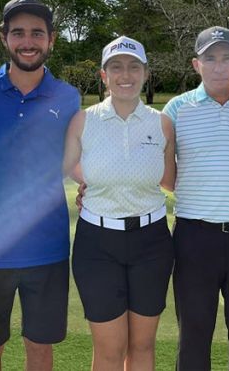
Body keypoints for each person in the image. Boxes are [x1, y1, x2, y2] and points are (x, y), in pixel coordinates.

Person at [0, 0, 81, 370]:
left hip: (47, 248)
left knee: (40, 350)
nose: (27, 41)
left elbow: (78, 159)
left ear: (52, 39)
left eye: (37, 33)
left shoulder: (68, 96)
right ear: (4, 38)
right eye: (18, 33)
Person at [62, 36, 176, 371]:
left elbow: (169, 181)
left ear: (145, 73)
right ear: (103, 75)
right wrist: (93, 185)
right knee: (109, 350)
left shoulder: (162, 123)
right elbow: (68, 167)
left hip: (151, 242)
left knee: (142, 346)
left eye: (133, 67)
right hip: (97, 244)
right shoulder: (84, 121)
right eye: (116, 67)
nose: (125, 74)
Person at [162, 26, 229, 371]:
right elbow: (167, 176)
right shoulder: (177, 109)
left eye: (226, 57)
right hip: (196, 238)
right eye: (210, 58)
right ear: (197, 64)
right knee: (193, 336)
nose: (219, 66)